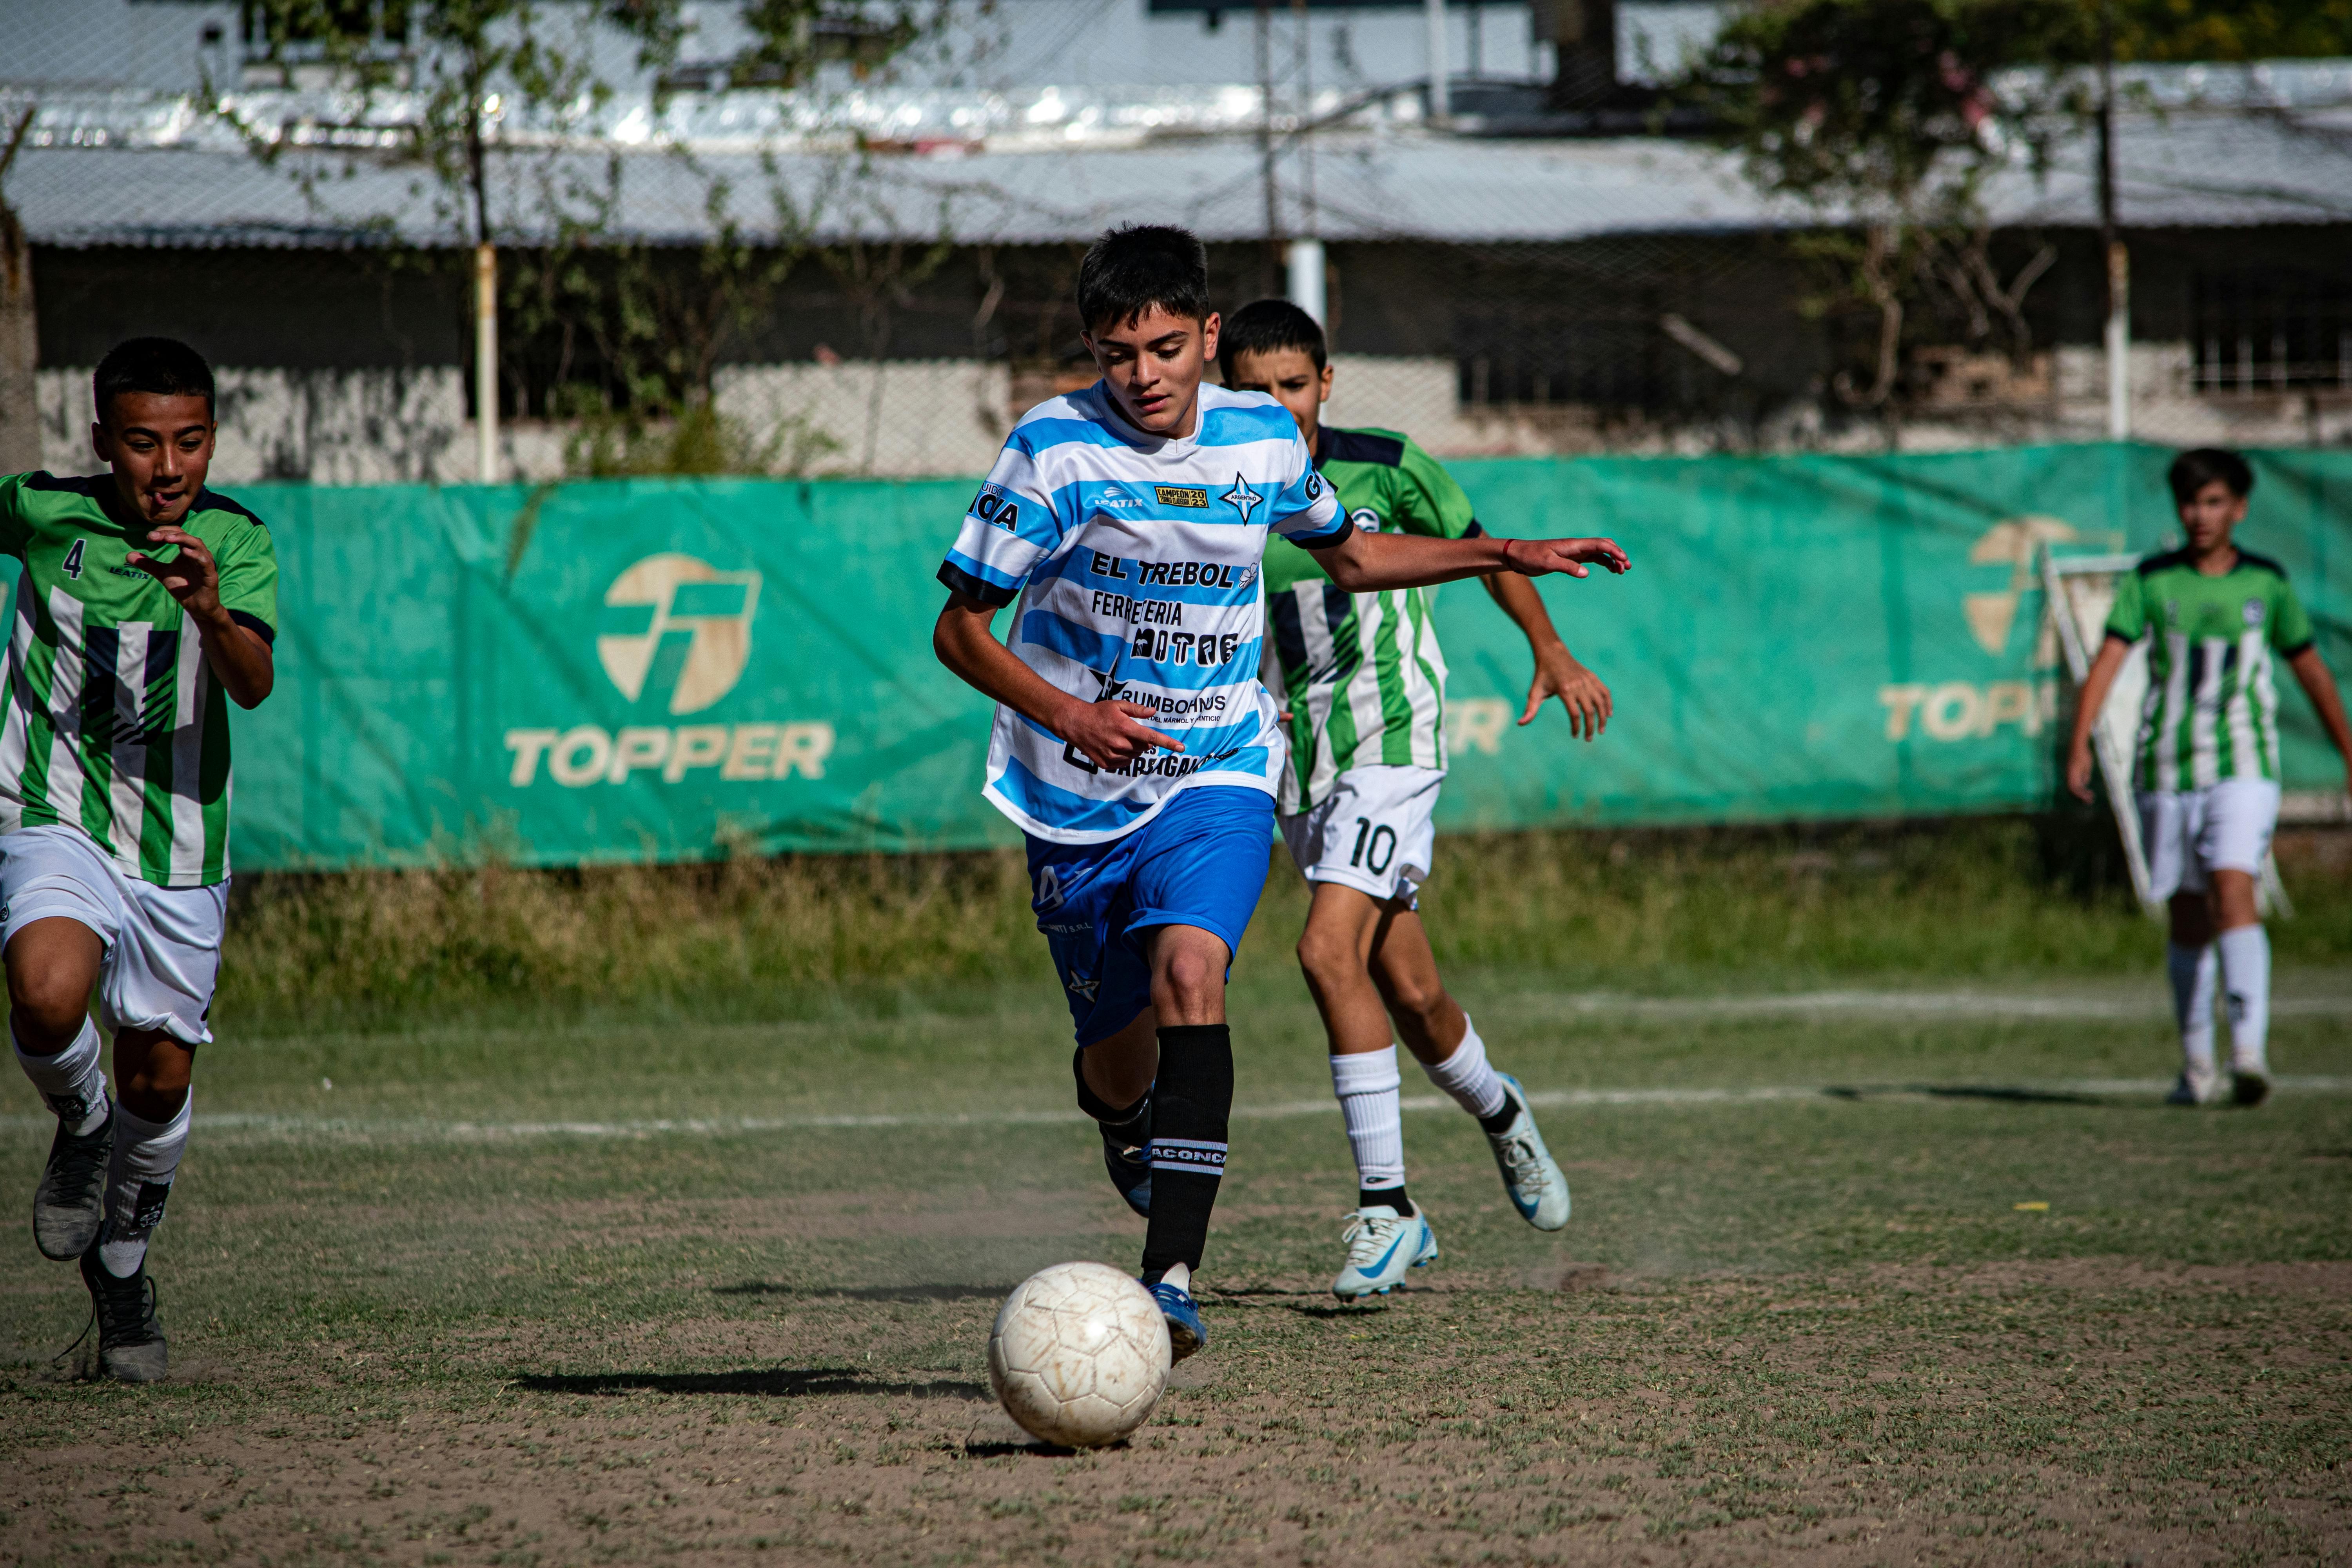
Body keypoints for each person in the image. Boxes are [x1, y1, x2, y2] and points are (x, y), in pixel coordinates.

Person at [932, 225, 1628, 1358]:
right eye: (1118, 354)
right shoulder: (1049, 450)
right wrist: (1071, 714)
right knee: (1119, 1058)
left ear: (1208, 335)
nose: (1145, 374)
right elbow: (959, 629)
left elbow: (1352, 555)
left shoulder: (1260, 435)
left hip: (1217, 765)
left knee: (1197, 972)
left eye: (1165, 346)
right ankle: (1124, 1118)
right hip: (1071, 788)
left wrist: (1505, 554)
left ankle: (1171, 1278)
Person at [1219, 299, 1614, 1299]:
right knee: (1414, 994)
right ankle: (1502, 1111)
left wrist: (1550, 645)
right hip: (1294, 756)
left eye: (1291, 386)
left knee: (1323, 950)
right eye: (1252, 389)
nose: (1275, 405)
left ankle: (1389, 1207)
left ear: (1325, 383)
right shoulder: (1212, 487)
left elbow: (1481, 548)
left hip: (1395, 740)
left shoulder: (1387, 465)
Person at [5, 338, 279, 1382]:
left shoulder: (237, 541)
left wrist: (206, 606)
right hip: (51, 812)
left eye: (191, 442)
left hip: (178, 842)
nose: (168, 467)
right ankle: (80, 1122)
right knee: (43, 992)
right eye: (142, 443)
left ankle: (122, 1270)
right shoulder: (41, 515)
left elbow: (251, 685)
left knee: (158, 1081)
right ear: (103, 442)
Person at [2067, 447, 2352, 1109]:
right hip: (2166, 768)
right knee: (2189, 916)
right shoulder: (2153, 580)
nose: (2201, 515)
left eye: (2215, 502)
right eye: (2191, 503)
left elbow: (2310, 671)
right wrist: (2079, 740)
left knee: (2235, 885)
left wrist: (2347, 750)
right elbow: (2108, 659)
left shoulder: (2266, 584)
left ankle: (2249, 1053)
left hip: (2244, 767)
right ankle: (2198, 1065)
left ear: (2240, 508)